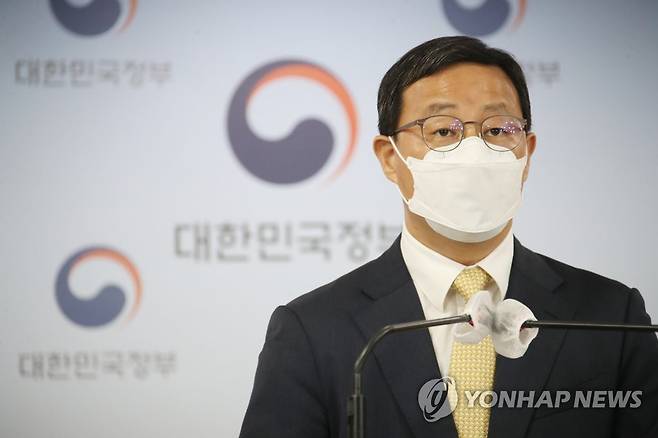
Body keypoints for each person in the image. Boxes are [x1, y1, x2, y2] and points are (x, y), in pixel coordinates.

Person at [238, 36, 658, 438]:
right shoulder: (313, 331)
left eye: (498, 130)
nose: (474, 151)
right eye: (443, 131)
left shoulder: (611, 316)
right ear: (389, 158)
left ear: (527, 153)